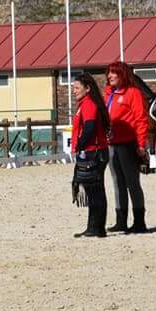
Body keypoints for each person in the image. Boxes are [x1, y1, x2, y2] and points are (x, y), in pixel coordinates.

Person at [104, 61, 150, 233]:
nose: (109, 76)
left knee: (132, 183)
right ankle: (121, 220)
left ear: (122, 74)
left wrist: (141, 144)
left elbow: (140, 120)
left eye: (113, 73)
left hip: (128, 144)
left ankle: (139, 222)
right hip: (111, 144)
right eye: (108, 73)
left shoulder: (133, 93)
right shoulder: (108, 94)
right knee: (117, 182)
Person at [70, 73, 110, 238]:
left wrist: (79, 145)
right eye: (73, 88)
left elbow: (90, 127)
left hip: (95, 152)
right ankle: (93, 226)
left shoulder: (88, 105)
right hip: (95, 151)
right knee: (94, 190)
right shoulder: (85, 104)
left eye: (77, 87)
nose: (74, 91)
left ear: (87, 89)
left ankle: (98, 227)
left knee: (96, 190)